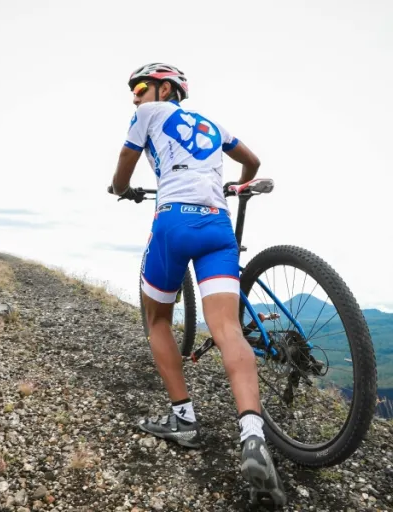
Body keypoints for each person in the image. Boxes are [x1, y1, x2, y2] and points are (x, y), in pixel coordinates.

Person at [108, 62, 285, 505]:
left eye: (142, 87)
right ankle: (251, 434)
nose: (135, 96)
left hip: (174, 222)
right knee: (226, 328)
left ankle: (183, 420)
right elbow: (253, 161)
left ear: (165, 88)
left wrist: (121, 189)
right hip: (216, 224)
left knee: (157, 320)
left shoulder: (148, 115)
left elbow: (123, 168)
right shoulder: (212, 123)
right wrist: (235, 185)